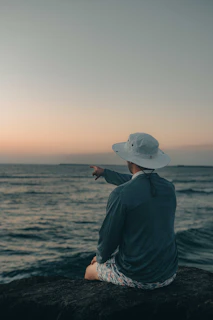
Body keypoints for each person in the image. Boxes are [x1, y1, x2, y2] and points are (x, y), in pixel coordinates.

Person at [84, 132, 178, 289]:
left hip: (139, 277)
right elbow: (140, 182)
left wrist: (100, 258)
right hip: (168, 273)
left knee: (90, 271)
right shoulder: (169, 188)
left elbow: (109, 239)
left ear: (129, 159)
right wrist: (105, 173)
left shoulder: (120, 194)